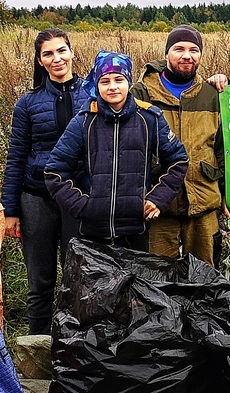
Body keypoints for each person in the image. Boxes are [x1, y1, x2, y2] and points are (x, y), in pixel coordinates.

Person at [45, 51, 189, 252]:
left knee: (137, 283)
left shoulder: (150, 119)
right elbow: (54, 172)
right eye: (105, 81)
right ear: (97, 85)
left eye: (119, 79)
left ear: (128, 81)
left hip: (136, 230)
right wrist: (82, 207)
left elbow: (178, 160)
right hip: (93, 233)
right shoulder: (84, 121)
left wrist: (158, 198)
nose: (112, 87)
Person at [2, 28, 89, 335]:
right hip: (36, 199)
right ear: (40, 60)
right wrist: (10, 209)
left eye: (61, 51)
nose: (56, 59)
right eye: (48, 54)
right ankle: (37, 349)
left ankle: (74, 349)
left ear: (72, 52)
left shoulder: (92, 96)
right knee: (39, 282)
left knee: (77, 278)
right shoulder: (28, 104)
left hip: (77, 199)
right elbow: (16, 156)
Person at [131, 25, 225, 266]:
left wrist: (227, 194)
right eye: (179, 48)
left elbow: (223, 150)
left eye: (194, 50)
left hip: (203, 202)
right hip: (157, 206)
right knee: (157, 281)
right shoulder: (141, 95)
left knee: (206, 279)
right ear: (167, 53)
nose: (187, 55)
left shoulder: (212, 95)